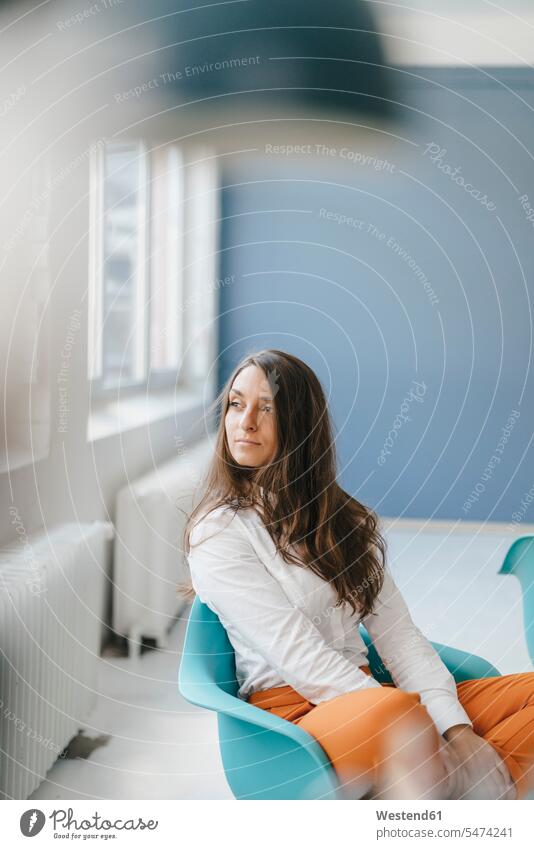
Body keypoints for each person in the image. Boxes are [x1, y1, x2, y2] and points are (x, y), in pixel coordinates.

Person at [182, 349, 534, 799]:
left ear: (300, 425)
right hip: (292, 719)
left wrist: (457, 734)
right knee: (401, 723)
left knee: (429, 720)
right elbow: (300, 657)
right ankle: (477, 793)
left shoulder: (349, 523)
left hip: (373, 696)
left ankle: (461, 787)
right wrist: (412, 719)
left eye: (267, 408)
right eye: (236, 403)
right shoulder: (218, 532)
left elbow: (401, 639)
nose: (245, 421)